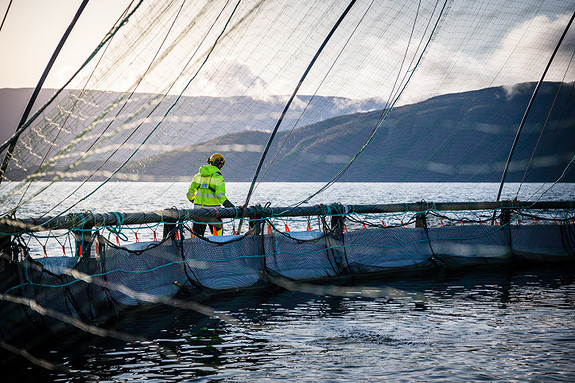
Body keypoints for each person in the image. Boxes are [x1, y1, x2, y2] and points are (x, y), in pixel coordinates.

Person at [187, 153, 235, 236]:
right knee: (218, 239)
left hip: (198, 213)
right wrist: (233, 209)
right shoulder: (218, 177)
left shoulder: (198, 176)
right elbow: (221, 197)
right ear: (219, 165)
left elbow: (189, 194)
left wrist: (195, 201)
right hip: (214, 213)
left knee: (196, 239)